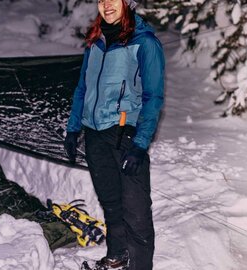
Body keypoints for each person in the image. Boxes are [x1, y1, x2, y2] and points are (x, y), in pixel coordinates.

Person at [63, 0, 164, 269]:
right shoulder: (95, 40)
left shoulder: (145, 43)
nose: (106, 5)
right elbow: (82, 88)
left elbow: (153, 97)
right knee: (111, 202)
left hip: (125, 135)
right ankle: (117, 256)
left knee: (136, 211)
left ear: (127, 3)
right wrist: (73, 129)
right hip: (94, 134)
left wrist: (140, 145)